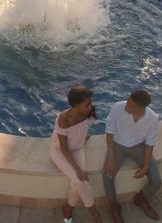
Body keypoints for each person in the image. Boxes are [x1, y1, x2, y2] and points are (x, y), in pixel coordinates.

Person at [102, 89, 161, 222]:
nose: (126, 105)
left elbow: (149, 143)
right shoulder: (117, 107)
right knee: (107, 175)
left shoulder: (152, 118)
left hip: (138, 146)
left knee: (156, 180)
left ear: (140, 108)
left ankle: (140, 199)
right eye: (127, 101)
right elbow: (109, 132)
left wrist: (146, 166)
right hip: (117, 145)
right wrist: (111, 157)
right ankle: (114, 206)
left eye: (130, 104)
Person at [51, 85, 102, 223]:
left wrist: (81, 139)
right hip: (60, 151)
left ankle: (68, 209)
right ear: (75, 104)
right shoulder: (63, 119)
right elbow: (64, 148)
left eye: (90, 103)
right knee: (80, 179)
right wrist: (78, 170)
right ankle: (96, 216)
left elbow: (80, 130)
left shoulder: (88, 114)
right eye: (87, 105)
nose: (90, 107)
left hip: (77, 148)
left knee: (77, 183)